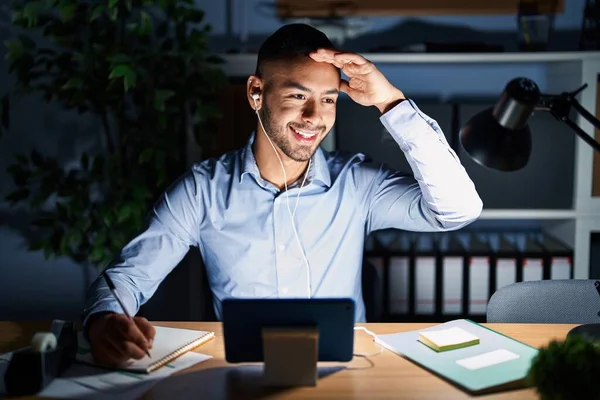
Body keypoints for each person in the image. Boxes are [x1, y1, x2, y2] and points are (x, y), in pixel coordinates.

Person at [82, 23, 483, 367]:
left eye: (328, 99)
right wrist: (104, 321)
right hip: (242, 371)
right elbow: (127, 278)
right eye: (297, 96)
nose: (315, 117)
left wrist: (389, 100)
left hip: (345, 370)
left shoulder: (358, 184)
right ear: (256, 92)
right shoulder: (200, 192)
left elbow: (457, 211)